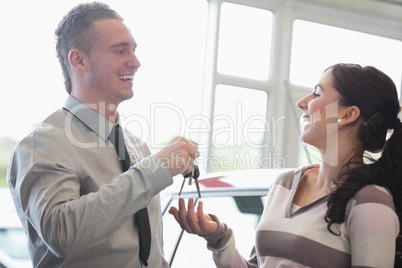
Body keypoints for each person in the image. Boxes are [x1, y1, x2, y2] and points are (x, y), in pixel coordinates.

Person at [7, 2, 198, 268]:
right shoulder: (43, 144)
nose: (136, 62)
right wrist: (157, 169)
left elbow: (146, 252)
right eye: (120, 51)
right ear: (79, 60)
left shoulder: (138, 147)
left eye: (133, 50)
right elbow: (62, 235)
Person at [170, 63, 402, 267]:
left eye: (316, 94)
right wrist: (219, 238)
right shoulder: (285, 184)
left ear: (348, 114)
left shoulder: (370, 202)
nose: (302, 103)